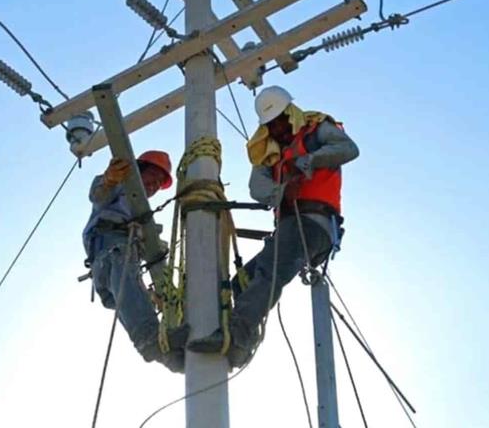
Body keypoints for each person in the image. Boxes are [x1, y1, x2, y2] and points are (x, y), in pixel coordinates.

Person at [187, 85, 359, 366]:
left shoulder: (317, 130)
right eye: (271, 124)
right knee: (241, 283)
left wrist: (307, 162)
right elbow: (258, 187)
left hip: (314, 224)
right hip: (291, 226)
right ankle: (242, 343)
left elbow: (349, 149)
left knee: (268, 272)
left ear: (291, 114)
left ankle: (237, 335)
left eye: (280, 121)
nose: (277, 128)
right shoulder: (268, 151)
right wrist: (280, 191)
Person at [83, 150, 188, 372]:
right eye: (153, 177)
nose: (155, 186)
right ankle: (150, 341)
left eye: (160, 183)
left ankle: (167, 353)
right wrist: (109, 179)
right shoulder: (120, 186)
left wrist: (157, 293)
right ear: (139, 169)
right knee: (126, 281)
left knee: (129, 292)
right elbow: (98, 196)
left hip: (114, 262)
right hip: (109, 249)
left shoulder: (142, 214)